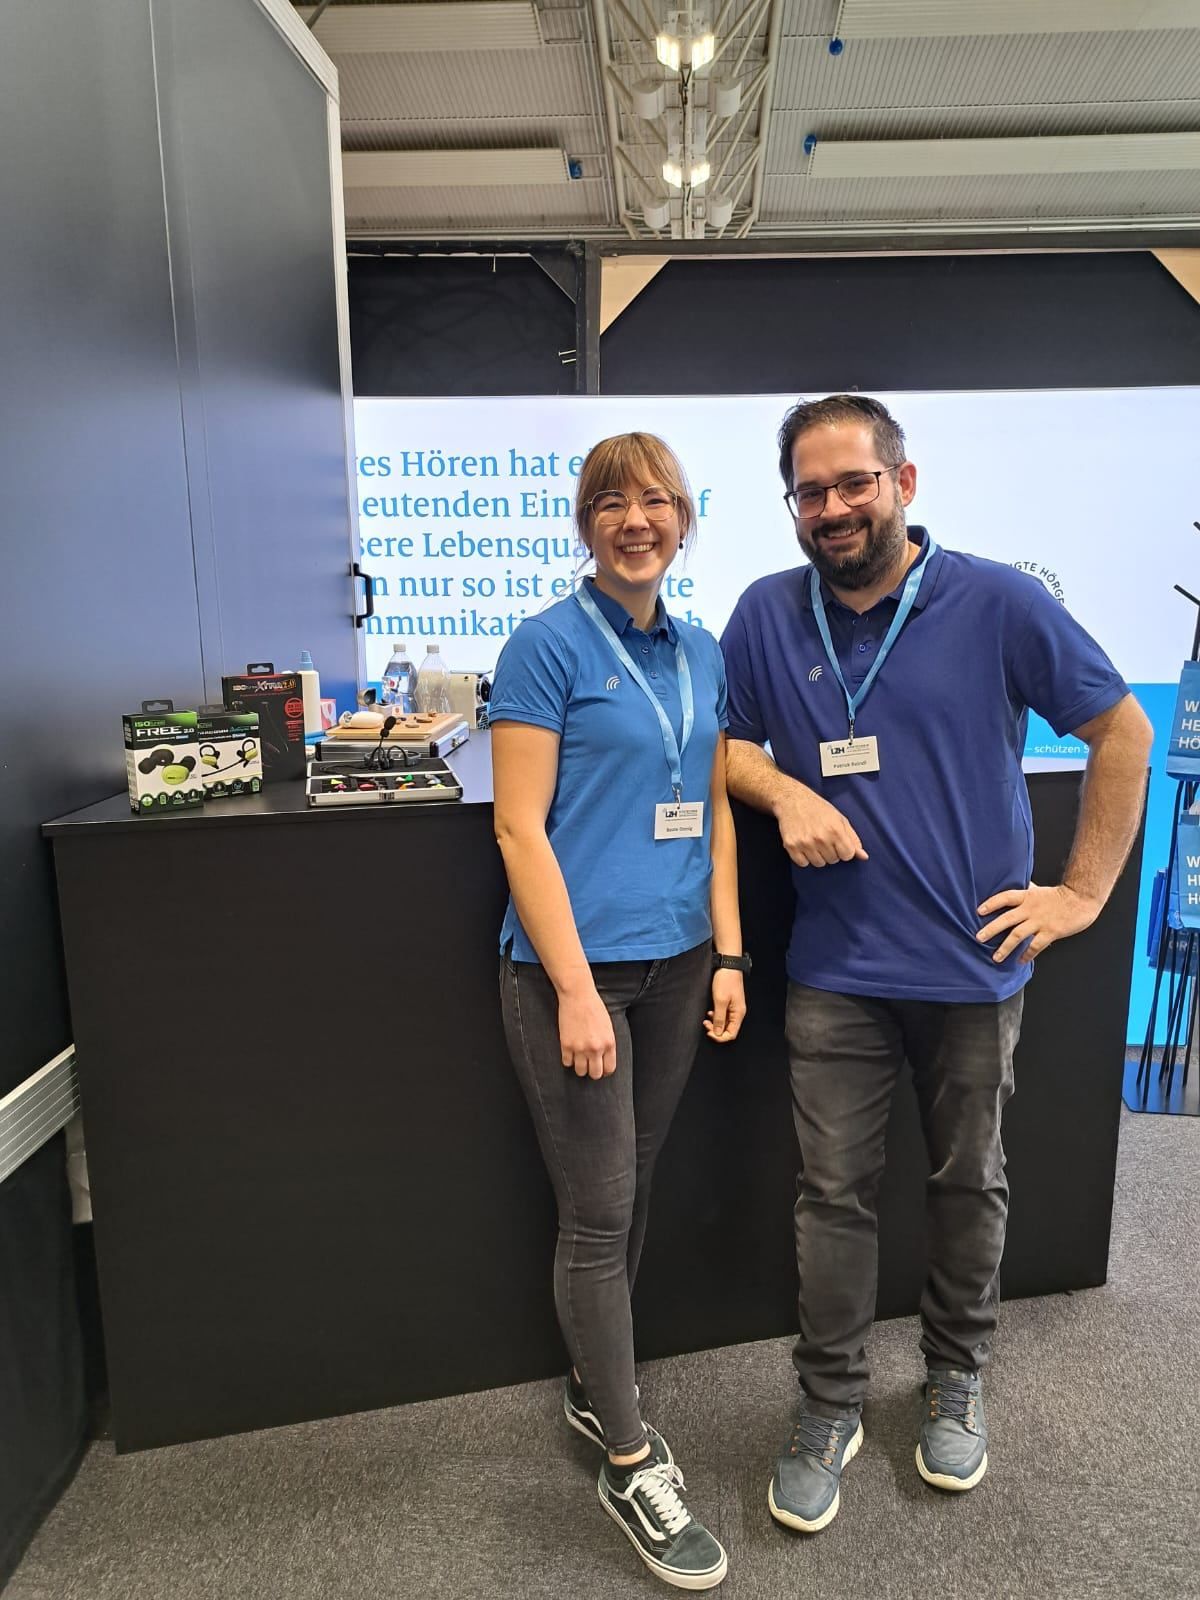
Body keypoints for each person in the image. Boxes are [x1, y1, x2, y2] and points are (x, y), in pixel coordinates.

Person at [720, 393, 1152, 1533]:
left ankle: (956, 1377)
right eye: (810, 491)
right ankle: (829, 1402)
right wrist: (784, 787)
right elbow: (725, 743)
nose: (832, 507)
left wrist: (1084, 893)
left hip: (973, 971)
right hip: (835, 972)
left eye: (853, 482)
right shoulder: (769, 613)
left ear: (903, 484)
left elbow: (1124, 731)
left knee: (969, 1183)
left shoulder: (999, 598)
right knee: (831, 1197)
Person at [490, 431, 747, 1590]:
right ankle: (631, 1460)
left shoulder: (700, 649)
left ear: (686, 519)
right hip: (572, 979)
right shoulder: (545, 645)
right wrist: (579, 991)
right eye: (611, 502)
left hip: (682, 962)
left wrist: (731, 952)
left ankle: (600, 1398)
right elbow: (517, 828)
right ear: (586, 524)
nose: (635, 518)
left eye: (657, 501)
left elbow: (716, 809)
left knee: (634, 1185)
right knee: (598, 1212)